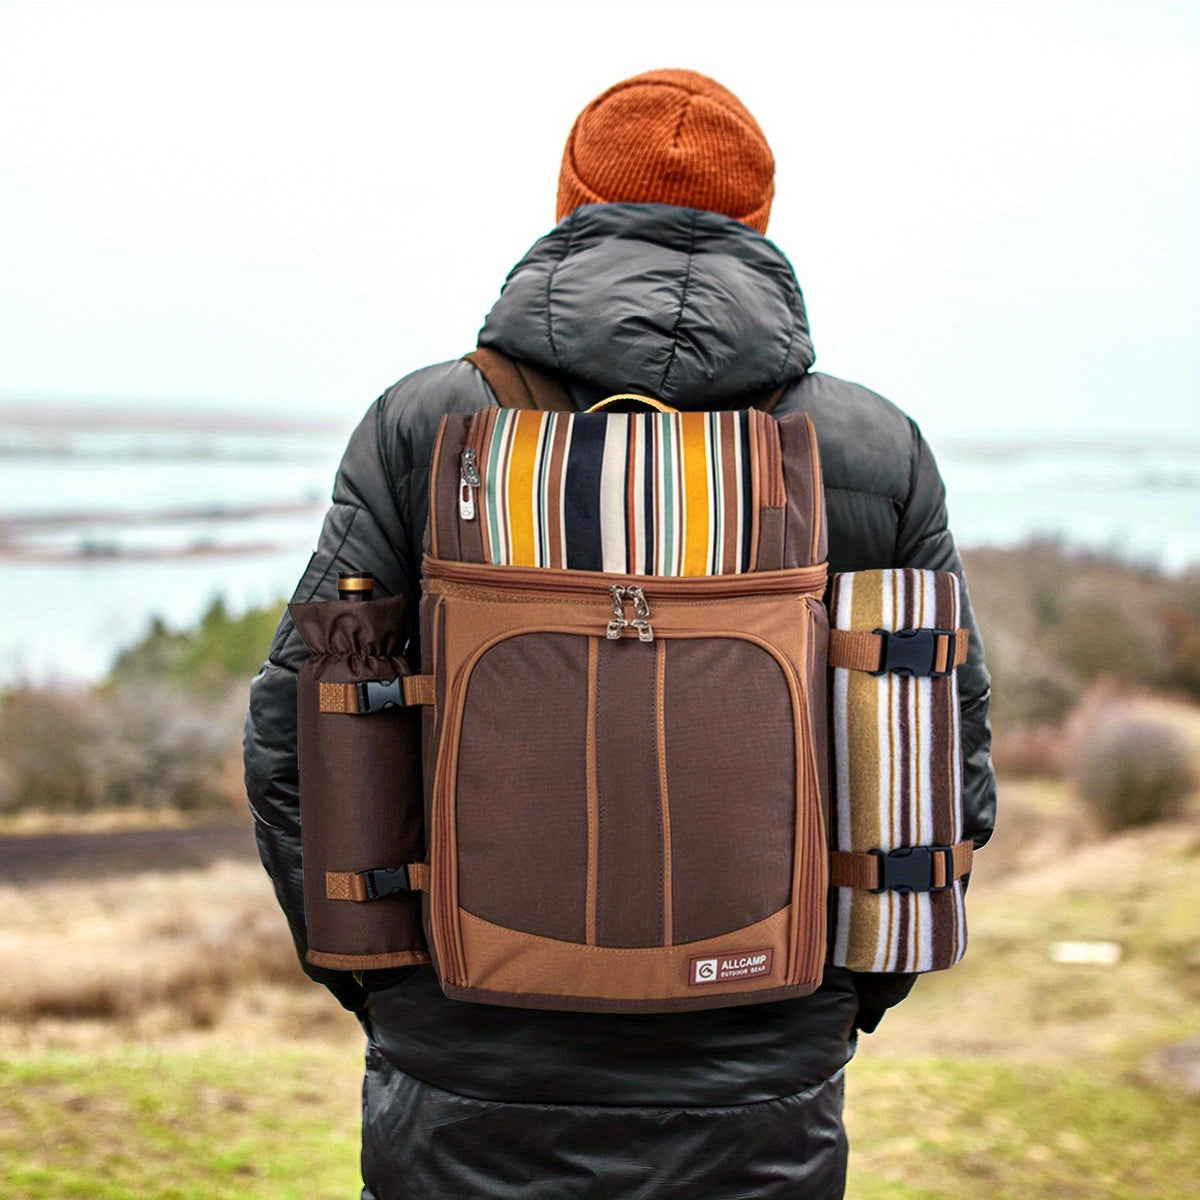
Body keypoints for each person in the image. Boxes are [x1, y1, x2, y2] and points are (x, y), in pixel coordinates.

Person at [245, 68, 996, 1200]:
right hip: (762, 1068)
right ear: (758, 224)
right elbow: (944, 756)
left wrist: (397, 996)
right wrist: (834, 1004)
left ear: (569, 207)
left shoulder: (424, 423)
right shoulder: (872, 447)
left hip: (464, 1065)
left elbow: (299, 730)